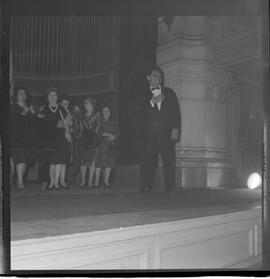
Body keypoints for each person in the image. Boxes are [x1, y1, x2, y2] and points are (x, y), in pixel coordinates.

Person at [139, 66, 181, 194]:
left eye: (160, 76)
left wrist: (176, 128)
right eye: (155, 76)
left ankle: (169, 187)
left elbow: (176, 112)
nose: (158, 78)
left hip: (166, 133)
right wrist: (151, 102)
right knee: (148, 161)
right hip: (149, 135)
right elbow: (139, 114)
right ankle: (146, 186)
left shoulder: (169, 92)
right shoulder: (142, 95)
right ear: (148, 78)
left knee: (169, 160)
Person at [38, 88, 72, 190]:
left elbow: (70, 122)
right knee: (51, 161)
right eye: (50, 95)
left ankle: (56, 182)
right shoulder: (43, 109)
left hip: (60, 136)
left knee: (59, 160)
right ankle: (52, 181)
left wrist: (66, 124)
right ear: (47, 97)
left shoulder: (62, 108)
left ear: (58, 97)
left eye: (55, 95)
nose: (53, 98)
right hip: (48, 137)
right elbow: (39, 124)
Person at [10, 87, 35, 189]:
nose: (22, 95)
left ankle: (18, 178)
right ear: (16, 96)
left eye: (24, 93)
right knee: (20, 158)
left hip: (28, 137)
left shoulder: (30, 107)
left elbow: (34, 122)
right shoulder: (12, 107)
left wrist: (32, 113)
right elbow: (11, 121)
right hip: (15, 136)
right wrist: (24, 112)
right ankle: (20, 181)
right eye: (20, 93)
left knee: (25, 159)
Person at [79, 97, 101, 188]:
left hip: (93, 139)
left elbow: (99, 126)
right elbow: (81, 128)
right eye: (85, 104)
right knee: (83, 161)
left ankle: (90, 181)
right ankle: (83, 180)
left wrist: (95, 132)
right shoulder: (82, 115)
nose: (86, 106)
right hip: (84, 139)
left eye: (87, 104)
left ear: (92, 105)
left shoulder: (97, 114)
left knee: (92, 161)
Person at [95, 106, 119, 187]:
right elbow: (99, 132)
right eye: (104, 111)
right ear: (102, 113)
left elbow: (117, 132)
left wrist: (114, 137)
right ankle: (96, 182)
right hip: (102, 145)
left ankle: (106, 181)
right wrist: (108, 134)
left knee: (110, 163)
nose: (106, 113)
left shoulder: (113, 122)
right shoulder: (99, 122)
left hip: (111, 145)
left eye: (108, 111)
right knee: (100, 163)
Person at [66, 105, 83, 185]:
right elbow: (70, 128)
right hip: (73, 141)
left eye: (78, 109)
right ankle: (69, 178)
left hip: (79, 142)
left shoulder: (80, 118)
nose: (77, 110)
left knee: (77, 161)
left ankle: (69, 177)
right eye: (75, 109)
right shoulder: (71, 117)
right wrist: (74, 131)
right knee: (75, 161)